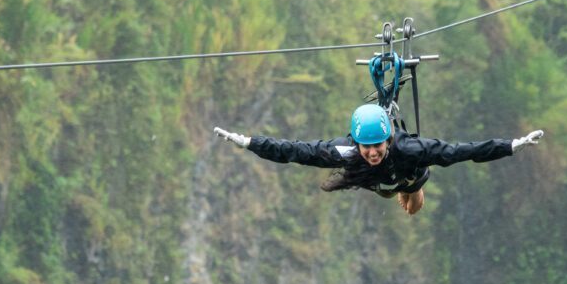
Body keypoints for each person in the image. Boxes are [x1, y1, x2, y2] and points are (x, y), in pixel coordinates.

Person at [214, 103, 544, 215]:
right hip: (375, 183)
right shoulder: (344, 151)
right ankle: (394, 188)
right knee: (377, 184)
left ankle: (411, 192)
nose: (371, 152)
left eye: (377, 146)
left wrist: (512, 145)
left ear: (388, 139)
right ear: (355, 141)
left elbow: (464, 151)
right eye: (365, 146)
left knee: (413, 207)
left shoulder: (412, 150)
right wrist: (248, 142)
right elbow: (292, 151)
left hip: (409, 176)